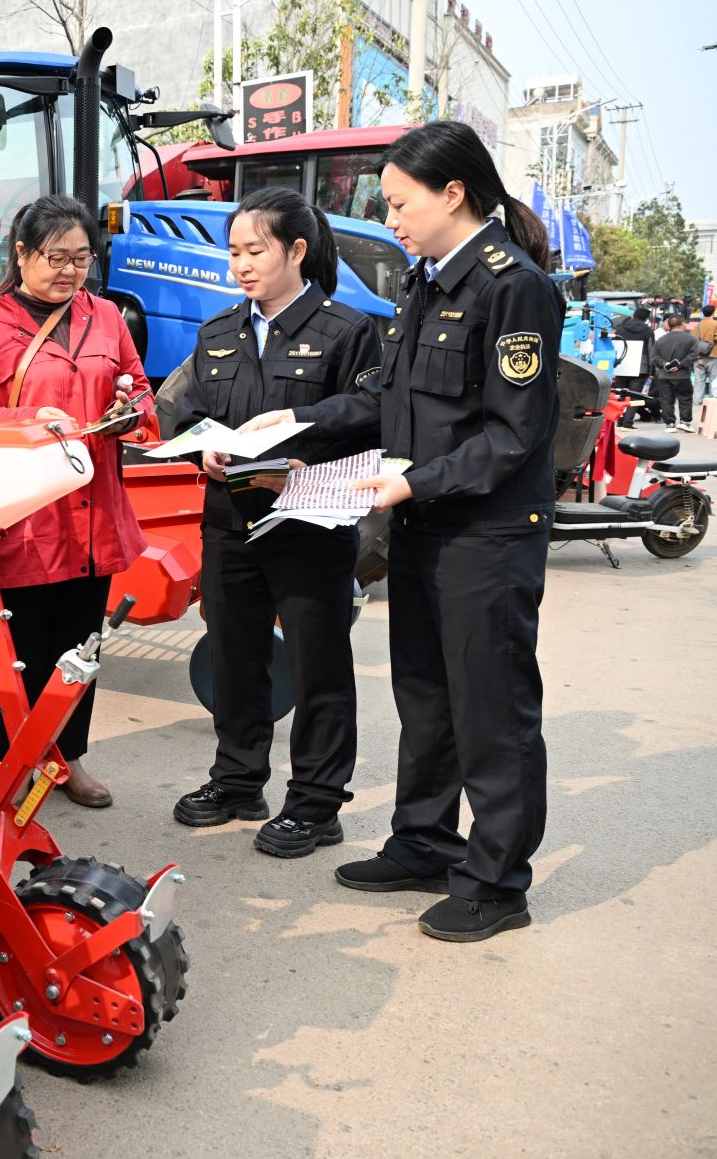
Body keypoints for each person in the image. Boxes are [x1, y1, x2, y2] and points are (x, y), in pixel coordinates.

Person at [239, 120, 563, 943]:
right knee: (425, 696)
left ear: (454, 192)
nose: (390, 219)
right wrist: (293, 421)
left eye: (399, 202)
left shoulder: (509, 286)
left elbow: (513, 434)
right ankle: (423, 841)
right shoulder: (425, 282)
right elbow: (383, 402)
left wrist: (415, 479)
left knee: (490, 707)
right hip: (420, 522)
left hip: (485, 532)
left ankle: (496, 881)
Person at [171, 187, 383, 857]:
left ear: (296, 250)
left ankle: (317, 804)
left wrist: (300, 441)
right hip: (229, 520)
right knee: (236, 657)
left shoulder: (346, 332)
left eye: (254, 250)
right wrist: (201, 442)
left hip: (309, 524)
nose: (241, 263)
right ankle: (237, 780)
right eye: (233, 251)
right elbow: (184, 411)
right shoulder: (218, 334)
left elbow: (371, 413)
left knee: (319, 665)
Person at [0, 196, 157, 807]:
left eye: (81, 257)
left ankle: (68, 758)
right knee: (22, 651)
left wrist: (131, 414)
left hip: (93, 507)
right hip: (29, 515)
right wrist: (27, 419)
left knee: (80, 640)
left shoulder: (106, 316)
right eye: (56, 257)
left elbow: (140, 387)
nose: (70, 270)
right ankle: (17, 763)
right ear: (21, 254)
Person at [651, 313, 701, 430]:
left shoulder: (661, 340)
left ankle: (670, 423)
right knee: (685, 398)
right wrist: (680, 364)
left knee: (666, 399)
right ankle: (685, 421)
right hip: (682, 375)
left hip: (664, 375)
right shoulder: (691, 339)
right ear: (682, 324)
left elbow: (654, 356)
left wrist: (665, 364)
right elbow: (694, 355)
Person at [612, 306, 653, 424]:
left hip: (622, 365)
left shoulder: (621, 328)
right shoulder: (647, 330)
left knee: (620, 394)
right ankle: (627, 422)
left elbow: (616, 346)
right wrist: (651, 371)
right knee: (634, 396)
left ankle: (619, 419)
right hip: (640, 367)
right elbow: (651, 350)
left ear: (634, 315)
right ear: (646, 319)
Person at [692, 304, 717, 419]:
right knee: (714, 379)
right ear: (713, 312)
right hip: (713, 355)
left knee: (698, 380)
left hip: (699, 356)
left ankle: (697, 400)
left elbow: (693, 340)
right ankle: (713, 400)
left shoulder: (698, 325)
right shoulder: (715, 324)